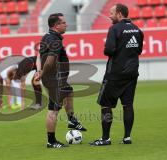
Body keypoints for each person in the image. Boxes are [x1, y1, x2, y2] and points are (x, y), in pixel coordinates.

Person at [90, 3, 144, 146]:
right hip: (132, 73)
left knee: (105, 105)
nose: (109, 16)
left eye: (112, 13)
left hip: (115, 73)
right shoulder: (138, 30)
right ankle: (127, 137)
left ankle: (105, 138)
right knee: (128, 105)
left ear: (120, 14)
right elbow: (138, 50)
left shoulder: (114, 29)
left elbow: (108, 50)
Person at [38, 13, 87, 148]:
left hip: (56, 79)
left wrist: (39, 71)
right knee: (53, 109)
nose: (66, 24)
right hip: (54, 80)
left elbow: (38, 56)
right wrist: (43, 72)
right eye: (63, 23)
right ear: (56, 25)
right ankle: (51, 141)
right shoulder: (55, 40)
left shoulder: (47, 37)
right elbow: (49, 61)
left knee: (69, 92)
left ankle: (72, 120)